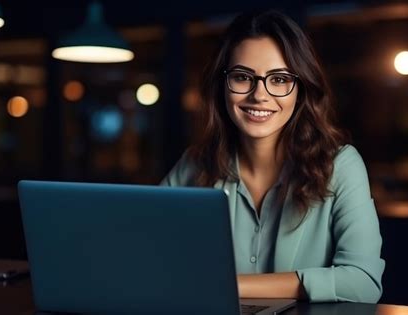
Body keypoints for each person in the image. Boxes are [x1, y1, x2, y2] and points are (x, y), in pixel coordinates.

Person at [160, 10, 385, 303]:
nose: (259, 95)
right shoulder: (195, 164)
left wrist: (231, 286)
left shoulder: (341, 165)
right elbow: (144, 253)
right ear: (222, 85)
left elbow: (363, 283)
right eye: (242, 77)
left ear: (300, 88)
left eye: (279, 80)